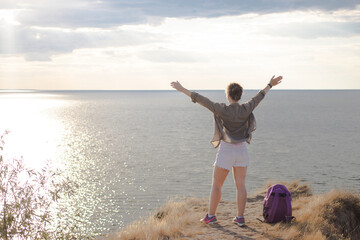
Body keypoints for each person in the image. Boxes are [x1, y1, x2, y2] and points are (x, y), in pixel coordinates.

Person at [170, 76, 283, 226]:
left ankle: (211, 216)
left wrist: (181, 89)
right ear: (239, 96)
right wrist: (270, 84)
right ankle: (240, 218)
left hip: (226, 151)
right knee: (241, 185)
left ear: (228, 95)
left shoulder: (222, 109)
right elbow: (259, 96)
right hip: (242, 151)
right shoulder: (246, 108)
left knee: (217, 185)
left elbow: (201, 99)